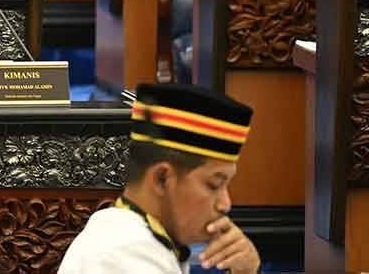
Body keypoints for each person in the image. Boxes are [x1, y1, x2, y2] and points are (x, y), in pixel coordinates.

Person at [58, 83, 260, 274]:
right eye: (214, 185)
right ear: (162, 178)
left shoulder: (136, 239)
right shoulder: (124, 256)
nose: (225, 204)